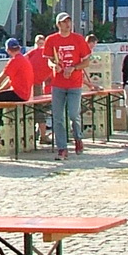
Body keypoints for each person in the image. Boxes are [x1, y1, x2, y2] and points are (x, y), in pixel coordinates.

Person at [41, 13, 91, 159]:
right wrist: (54, 66)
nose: (67, 24)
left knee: (74, 114)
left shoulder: (78, 39)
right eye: (64, 22)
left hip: (75, 83)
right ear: (58, 25)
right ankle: (62, 148)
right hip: (58, 84)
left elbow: (86, 61)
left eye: (69, 21)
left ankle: (78, 137)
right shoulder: (51, 40)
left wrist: (74, 68)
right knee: (58, 117)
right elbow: (49, 60)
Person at [0, 39, 33, 134]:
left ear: (8, 50)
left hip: (18, 93)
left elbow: (1, 78)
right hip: (24, 93)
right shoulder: (23, 59)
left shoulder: (14, 61)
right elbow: (10, 80)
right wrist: (0, 90)